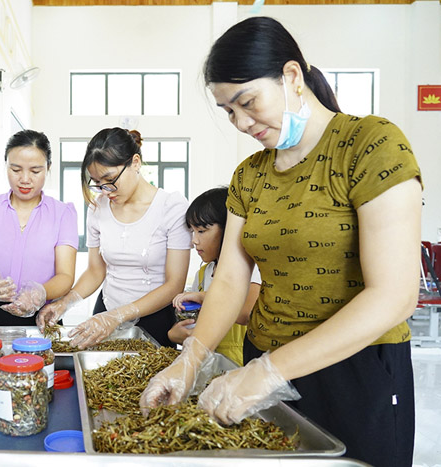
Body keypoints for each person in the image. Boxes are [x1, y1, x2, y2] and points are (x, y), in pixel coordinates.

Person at [140, 17, 422, 467]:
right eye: (229, 111)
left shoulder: (371, 145)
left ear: (291, 76)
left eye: (248, 102)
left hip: (356, 367)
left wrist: (270, 373)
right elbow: (230, 280)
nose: (241, 122)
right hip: (263, 357)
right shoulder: (249, 175)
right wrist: (189, 361)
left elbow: (395, 295)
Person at [36, 128, 192, 349]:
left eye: (109, 179)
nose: (105, 190)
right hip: (106, 311)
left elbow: (174, 284)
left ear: (135, 163)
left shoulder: (172, 207)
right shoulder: (98, 208)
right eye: (97, 183)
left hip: (155, 316)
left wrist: (117, 316)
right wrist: (64, 303)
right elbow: (95, 271)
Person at [0, 130, 78, 326]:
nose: (25, 179)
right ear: (6, 165)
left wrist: (40, 293)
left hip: (43, 315)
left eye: (35, 171)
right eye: (16, 170)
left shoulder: (63, 213)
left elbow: (65, 276)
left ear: (48, 168)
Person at [169, 187, 261, 366]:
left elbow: (245, 313)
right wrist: (176, 334)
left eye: (201, 231)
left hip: (240, 366)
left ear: (229, 228)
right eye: (192, 232)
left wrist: (202, 297)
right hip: (210, 364)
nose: (194, 240)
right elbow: (196, 323)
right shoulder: (203, 274)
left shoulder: (252, 267)